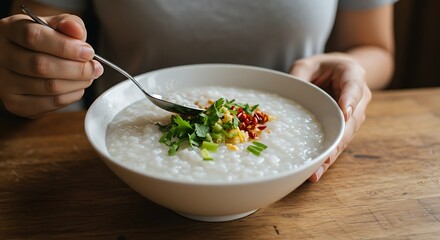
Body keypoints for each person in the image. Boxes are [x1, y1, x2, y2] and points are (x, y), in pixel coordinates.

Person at [0, 0, 397, 182]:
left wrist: (354, 69)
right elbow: (38, 22)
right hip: (99, 161)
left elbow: (375, 48)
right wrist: (31, 62)